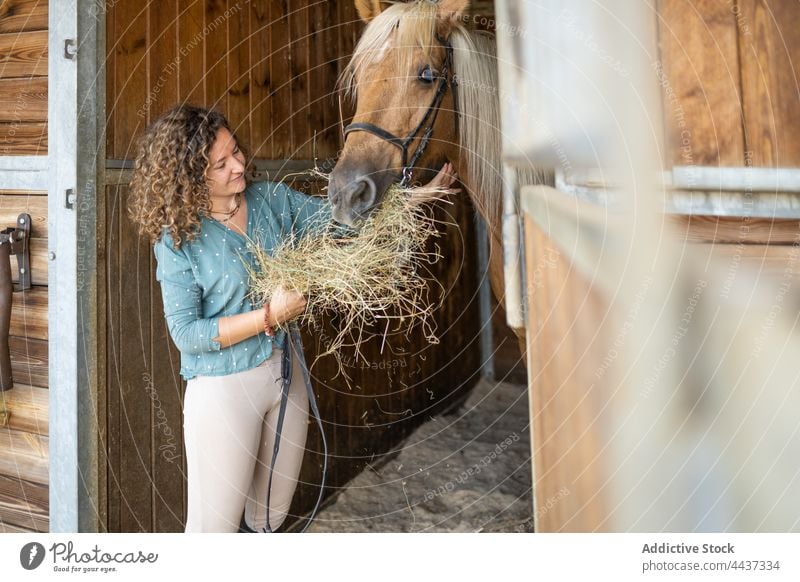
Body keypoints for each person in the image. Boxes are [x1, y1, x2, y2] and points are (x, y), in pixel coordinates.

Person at [127, 104, 457, 533]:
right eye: (221, 163)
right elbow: (187, 334)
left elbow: (341, 222)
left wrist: (414, 200)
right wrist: (269, 316)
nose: (239, 164)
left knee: (270, 517)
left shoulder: (269, 201)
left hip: (286, 375)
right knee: (213, 530)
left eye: (236, 151)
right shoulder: (179, 241)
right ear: (190, 178)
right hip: (224, 389)